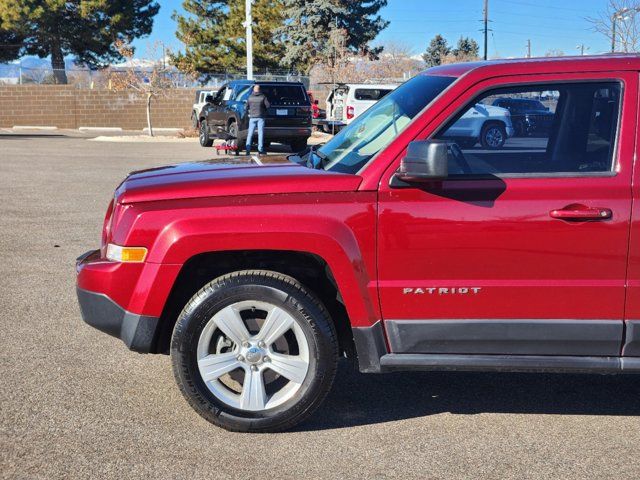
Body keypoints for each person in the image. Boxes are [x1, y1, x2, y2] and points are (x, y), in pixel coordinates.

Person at [245, 84, 270, 155]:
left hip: (252, 117)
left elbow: (246, 107)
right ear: (260, 90)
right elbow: (268, 106)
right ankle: (260, 150)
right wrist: (264, 110)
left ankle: (248, 150)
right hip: (260, 117)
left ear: (253, 90)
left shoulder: (250, 97)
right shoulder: (263, 97)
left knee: (250, 134)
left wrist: (248, 113)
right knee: (260, 133)